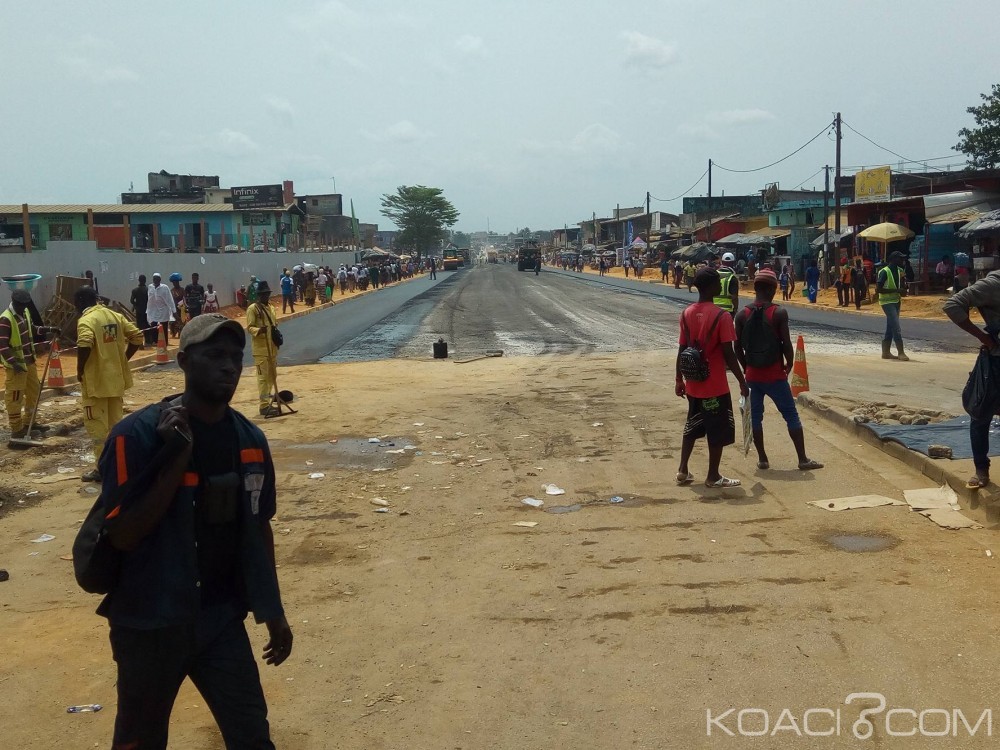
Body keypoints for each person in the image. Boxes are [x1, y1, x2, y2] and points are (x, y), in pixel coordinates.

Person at [95, 313, 293, 749]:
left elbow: (259, 526)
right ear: (183, 361)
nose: (229, 366)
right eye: (215, 355)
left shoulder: (249, 440)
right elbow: (123, 535)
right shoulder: (135, 436)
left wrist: (272, 610)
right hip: (149, 623)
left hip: (219, 619)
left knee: (252, 735)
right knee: (140, 739)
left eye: (235, 357)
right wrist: (177, 455)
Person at [734, 270, 824, 472]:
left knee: (755, 417)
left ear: (756, 288)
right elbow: (786, 343)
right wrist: (788, 364)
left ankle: (763, 459)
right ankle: (802, 459)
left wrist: (746, 367)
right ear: (772, 289)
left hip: (752, 376)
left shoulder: (742, 315)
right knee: (791, 415)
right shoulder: (779, 313)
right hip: (775, 374)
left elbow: (736, 347)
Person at [675, 267, 749, 488]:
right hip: (715, 385)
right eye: (718, 281)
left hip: (693, 384)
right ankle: (713, 476)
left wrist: (679, 379)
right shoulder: (722, 316)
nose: (720, 284)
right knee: (717, 429)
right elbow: (729, 353)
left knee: (692, 424)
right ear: (711, 286)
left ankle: (683, 469)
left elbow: (682, 349)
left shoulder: (686, 313)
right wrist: (742, 381)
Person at [74, 286, 143, 482]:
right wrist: (123, 359)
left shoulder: (86, 320)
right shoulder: (115, 316)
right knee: (116, 427)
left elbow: (84, 344)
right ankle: (118, 466)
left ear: (81, 301)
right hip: (116, 381)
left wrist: (79, 370)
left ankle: (102, 469)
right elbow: (137, 337)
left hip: (95, 385)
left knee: (97, 428)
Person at [943, 267, 1000, 489]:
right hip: (995, 362)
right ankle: (981, 469)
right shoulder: (992, 285)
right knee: (980, 414)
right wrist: (984, 338)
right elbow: (952, 305)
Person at [1, 289, 58, 444]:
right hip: (16, 367)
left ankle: (30, 422)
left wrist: (49, 329)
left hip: (29, 362)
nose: (24, 307)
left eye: (26, 305)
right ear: (14, 302)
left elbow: (32, 328)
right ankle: (17, 429)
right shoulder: (5, 319)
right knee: (15, 397)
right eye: (21, 305)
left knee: (34, 393)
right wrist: (14, 363)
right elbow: (2, 345)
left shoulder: (25, 312)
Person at [246, 281, 281, 417]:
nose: (265, 296)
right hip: (260, 349)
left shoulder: (271, 308)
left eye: (267, 294)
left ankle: (268, 399)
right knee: (262, 378)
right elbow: (249, 327)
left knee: (272, 376)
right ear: (258, 295)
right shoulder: (253, 309)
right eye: (263, 294)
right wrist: (259, 330)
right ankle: (264, 405)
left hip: (272, 348)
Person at [876, 250, 908, 361]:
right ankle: (901, 352)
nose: (902, 260)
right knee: (896, 326)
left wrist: (903, 288)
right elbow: (878, 289)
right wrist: (897, 290)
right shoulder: (884, 272)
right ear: (893, 259)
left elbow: (902, 285)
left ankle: (885, 352)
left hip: (896, 301)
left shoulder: (900, 271)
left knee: (890, 326)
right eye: (900, 258)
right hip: (886, 302)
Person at [146, 273, 176, 346]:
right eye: (154, 279)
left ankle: (165, 342)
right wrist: (148, 310)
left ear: (160, 279)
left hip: (163, 310)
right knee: (153, 326)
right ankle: (155, 341)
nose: (155, 280)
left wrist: (174, 311)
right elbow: (149, 299)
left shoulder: (165, 287)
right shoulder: (150, 287)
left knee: (164, 327)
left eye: (157, 279)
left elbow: (170, 299)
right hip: (153, 311)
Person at [131, 274, 153, 346]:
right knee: (147, 326)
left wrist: (136, 305)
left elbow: (131, 300)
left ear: (139, 280)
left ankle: (140, 343)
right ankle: (148, 342)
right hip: (147, 311)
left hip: (139, 311)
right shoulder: (148, 290)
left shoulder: (135, 290)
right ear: (145, 280)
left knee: (139, 327)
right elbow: (151, 300)